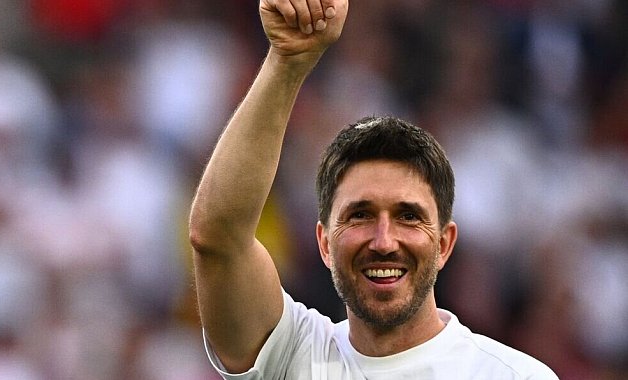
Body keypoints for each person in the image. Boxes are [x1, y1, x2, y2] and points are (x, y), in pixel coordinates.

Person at [187, 0, 558, 379]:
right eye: (360, 215)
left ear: (444, 244)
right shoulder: (294, 354)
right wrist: (287, 60)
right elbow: (218, 237)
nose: (383, 241)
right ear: (325, 243)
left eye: (408, 216)